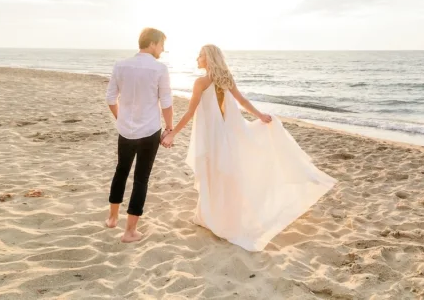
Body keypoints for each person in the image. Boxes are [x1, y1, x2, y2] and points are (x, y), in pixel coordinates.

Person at [161, 45, 336, 251]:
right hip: (227, 135)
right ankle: (220, 217)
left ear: (208, 58)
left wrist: (172, 133)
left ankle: (215, 217)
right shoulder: (225, 78)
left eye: (200, 55)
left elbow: (190, 112)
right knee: (227, 174)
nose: (196, 58)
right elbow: (242, 101)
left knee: (215, 173)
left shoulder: (200, 82)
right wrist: (259, 115)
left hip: (212, 136)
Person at [104, 27, 173, 243]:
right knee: (141, 179)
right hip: (150, 131)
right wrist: (169, 129)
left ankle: (112, 219)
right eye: (162, 44)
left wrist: (121, 118)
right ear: (152, 43)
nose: (162, 49)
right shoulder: (159, 68)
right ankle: (130, 232)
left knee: (121, 172)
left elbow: (110, 98)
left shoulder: (120, 65)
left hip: (125, 131)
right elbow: (166, 103)